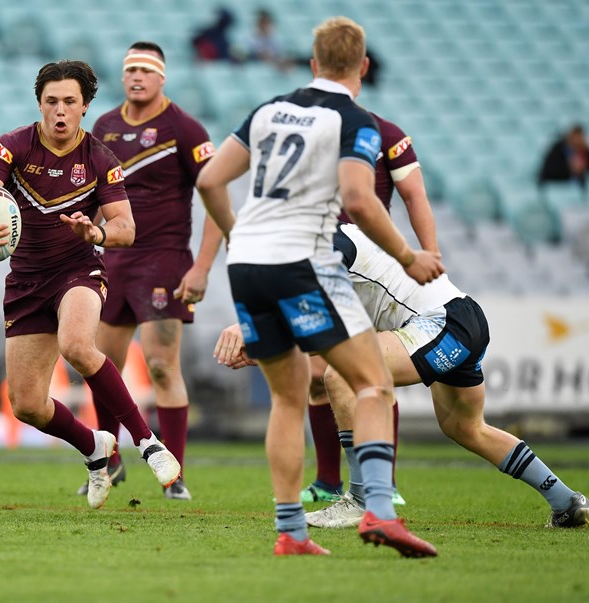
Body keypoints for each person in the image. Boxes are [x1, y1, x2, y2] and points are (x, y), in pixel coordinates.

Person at [195, 16, 443, 556]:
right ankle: (378, 511)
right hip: (303, 260)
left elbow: (210, 180)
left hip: (249, 264)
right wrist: (407, 255)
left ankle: (291, 532)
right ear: (364, 67)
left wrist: (240, 235)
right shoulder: (356, 120)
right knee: (373, 383)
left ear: (312, 64)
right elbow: (358, 198)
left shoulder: (269, 109)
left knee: (287, 397)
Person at [216, 223, 589, 530]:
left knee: (343, 376)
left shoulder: (325, 238)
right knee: (466, 428)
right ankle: (564, 500)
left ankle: (361, 500)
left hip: (440, 322)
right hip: (463, 318)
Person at [0, 60, 181, 510]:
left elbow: (126, 228)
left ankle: (147, 442)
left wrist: (95, 234)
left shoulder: (100, 159)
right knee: (27, 404)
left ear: (86, 106)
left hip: (79, 270)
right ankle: (95, 449)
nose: (60, 111)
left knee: (77, 344)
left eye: (69, 102)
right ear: (39, 104)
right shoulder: (11, 148)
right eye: (51, 101)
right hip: (26, 281)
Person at [81, 42, 223, 501]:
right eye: (130, 70)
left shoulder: (184, 128)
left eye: (146, 70)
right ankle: (108, 460)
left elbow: (216, 198)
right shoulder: (104, 126)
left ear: (162, 78)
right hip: (113, 258)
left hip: (164, 258)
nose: (137, 77)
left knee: (162, 365)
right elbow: (95, 198)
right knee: (102, 364)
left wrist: (201, 267)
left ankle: (173, 473)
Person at [304, 111, 440, 505]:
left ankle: (386, 482)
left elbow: (414, 194)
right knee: (317, 375)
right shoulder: (308, 134)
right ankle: (328, 480)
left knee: (369, 371)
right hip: (323, 259)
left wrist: (430, 252)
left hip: (368, 268)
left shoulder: (388, 134)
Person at [538, 124, 588, 192]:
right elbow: (548, 171)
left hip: (575, 188)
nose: (577, 141)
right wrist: (570, 168)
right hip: (554, 186)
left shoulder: (584, 151)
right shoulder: (558, 149)